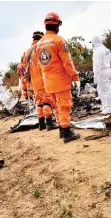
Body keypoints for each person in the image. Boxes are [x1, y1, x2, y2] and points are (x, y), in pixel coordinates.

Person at [34, 12, 80, 143]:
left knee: (56, 107)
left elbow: (39, 65)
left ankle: (61, 129)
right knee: (64, 106)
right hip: (60, 80)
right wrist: (75, 77)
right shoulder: (59, 40)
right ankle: (66, 132)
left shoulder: (39, 44)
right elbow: (67, 62)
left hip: (47, 83)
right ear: (56, 25)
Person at [22, 31, 58, 131]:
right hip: (42, 79)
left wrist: (26, 85)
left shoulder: (26, 52)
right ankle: (49, 124)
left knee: (39, 102)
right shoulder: (40, 48)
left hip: (33, 82)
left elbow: (23, 68)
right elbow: (46, 63)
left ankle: (41, 124)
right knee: (47, 101)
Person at [91, 36, 111, 115]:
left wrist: (95, 75)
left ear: (94, 42)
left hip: (101, 71)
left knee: (106, 89)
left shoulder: (98, 51)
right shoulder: (106, 50)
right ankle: (105, 105)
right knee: (101, 88)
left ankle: (109, 107)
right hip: (107, 70)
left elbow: (97, 64)